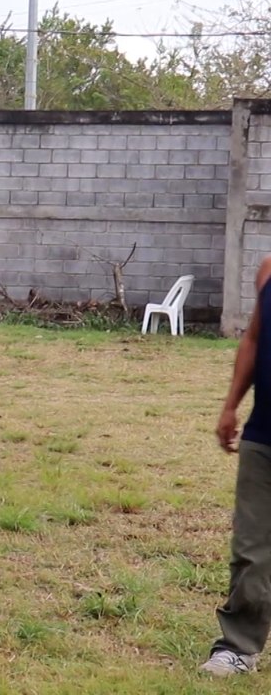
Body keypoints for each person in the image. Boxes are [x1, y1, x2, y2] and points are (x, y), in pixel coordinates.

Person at [205, 255, 271, 677]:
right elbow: (253, 339)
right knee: (251, 547)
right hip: (264, 434)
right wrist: (231, 406)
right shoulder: (268, 270)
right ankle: (239, 647)